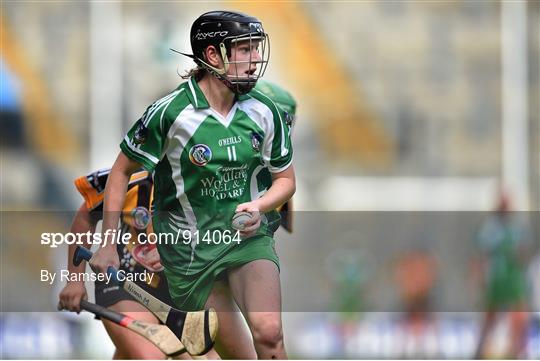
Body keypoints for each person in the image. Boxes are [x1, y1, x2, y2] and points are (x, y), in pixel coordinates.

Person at [90, 10, 295, 360]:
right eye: (244, 49)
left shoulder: (264, 111)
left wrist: (259, 206)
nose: (255, 58)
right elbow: (120, 172)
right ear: (213, 55)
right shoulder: (171, 113)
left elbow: (285, 181)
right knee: (214, 354)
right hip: (190, 255)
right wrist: (108, 245)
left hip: (246, 240)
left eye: (256, 48)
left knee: (270, 334)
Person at [58, 168, 175, 359]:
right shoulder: (133, 176)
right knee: (150, 356)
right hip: (126, 282)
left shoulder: (213, 180)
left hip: (187, 291)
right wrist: (74, 280)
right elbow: (86, 216)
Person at [473, 193, 530, 358]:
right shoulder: (490, 228)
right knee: (490, 319)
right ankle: (478, 353)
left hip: (513, 280)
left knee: (518, 318)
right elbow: (481, 256)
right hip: (497, 281)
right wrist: (480, 280)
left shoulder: (517, 227)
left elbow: (523, 254)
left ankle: (520, 352)